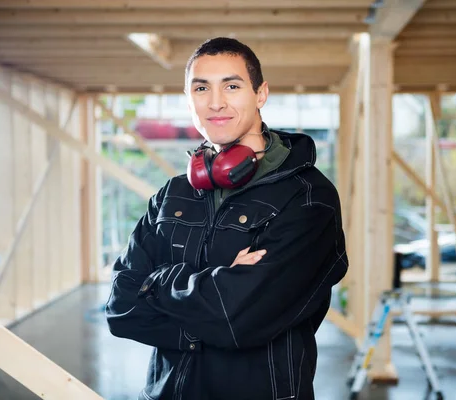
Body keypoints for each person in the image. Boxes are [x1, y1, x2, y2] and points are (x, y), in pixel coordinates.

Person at [105, 37, 348, 400]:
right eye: (201, 88)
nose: (215, 102)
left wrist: (154, 286)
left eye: (231, 86)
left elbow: (237, 320)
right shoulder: (173, 194)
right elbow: (120, 306)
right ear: (189, 99)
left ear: (260, 94)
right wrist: (220, 284)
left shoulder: (308, 198)